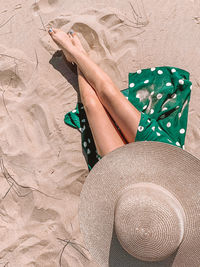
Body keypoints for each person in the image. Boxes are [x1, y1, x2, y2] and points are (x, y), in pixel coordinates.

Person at [48, 28, 192, 171]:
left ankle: (78, 57)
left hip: (126, 179)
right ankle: (76, 54)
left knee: (92, 106)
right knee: (108, 93)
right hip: (162, 161)